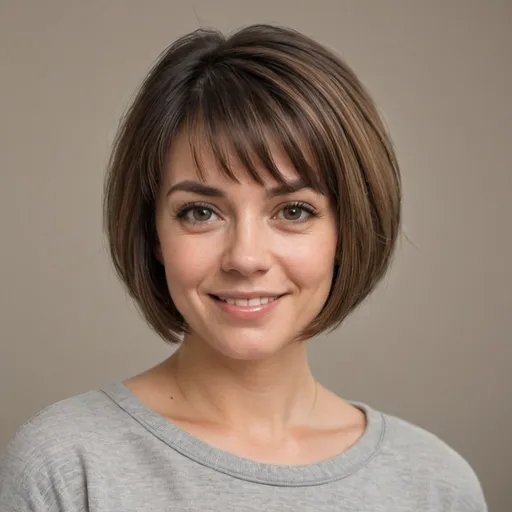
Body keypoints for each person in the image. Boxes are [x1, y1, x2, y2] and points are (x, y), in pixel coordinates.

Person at [0, 24, 487, 511]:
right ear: (155, 235)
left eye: (293, 211)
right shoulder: (65, 466)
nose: (246, 258)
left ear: (347, 230)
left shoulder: (435, 486)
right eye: (201, 212)